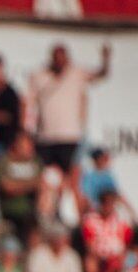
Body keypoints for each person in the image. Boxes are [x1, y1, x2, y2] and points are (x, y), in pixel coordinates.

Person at [28, 43, 111, 178]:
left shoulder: (77, 73)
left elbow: (101, 74)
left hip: (69, 136)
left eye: (62, 59)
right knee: (46, 176)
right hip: (45, 137)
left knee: (69, 176)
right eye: (56, 58)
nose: (59, 62)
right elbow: (29, 102)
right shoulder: (40, 76)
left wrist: (106, 60)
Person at [0, 130, 43, 245]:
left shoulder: (36, 162)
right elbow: (7, 187)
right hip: (9, 211)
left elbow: (43, 184)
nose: (30, 148)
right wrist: (32, 184)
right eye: (26, 145)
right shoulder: (3, 162)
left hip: (32, 213)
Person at [81, 190, 133, 272]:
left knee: (117, 264)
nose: (108, 206)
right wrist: (101, 255)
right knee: (90, 263)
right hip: (98, 256)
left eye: (110, 203)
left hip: (116, 257)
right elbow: (89, 245)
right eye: (105, 202)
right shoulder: (91, 220)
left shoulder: (121, 220)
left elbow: (126, 245)